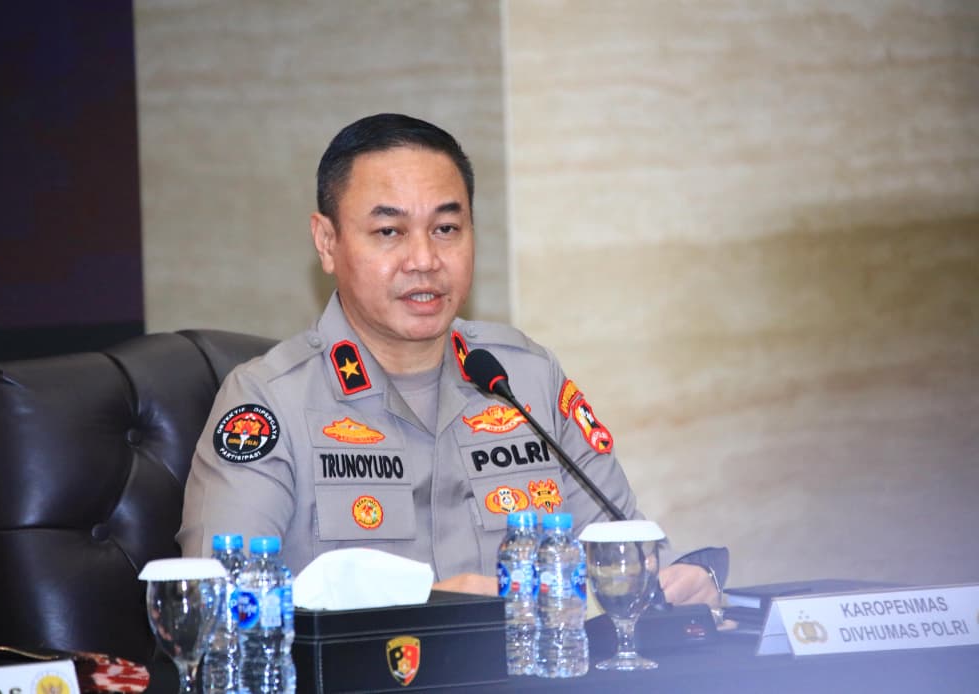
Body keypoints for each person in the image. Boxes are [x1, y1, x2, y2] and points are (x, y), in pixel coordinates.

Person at [178, 113, 725, 605]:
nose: (424, 259)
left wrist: (674, 587)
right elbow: (218, 612)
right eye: (389, 231)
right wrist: (427, 605)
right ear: (326, 242)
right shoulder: (269, 403)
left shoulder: (526, 378)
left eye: (446, 229)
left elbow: (628, 558)